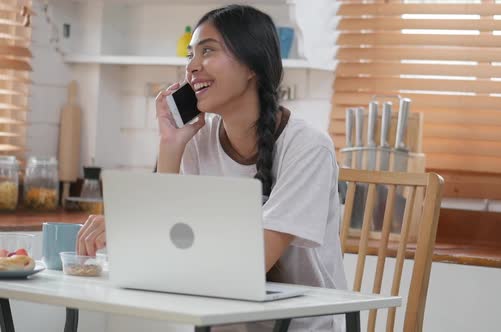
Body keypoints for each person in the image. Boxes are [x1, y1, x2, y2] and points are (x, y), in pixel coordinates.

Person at [76, 4, 347, 331]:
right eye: (191, 55)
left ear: (252, 66)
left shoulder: (307, 146)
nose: (192, 67)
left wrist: (147, 235)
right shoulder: (197, 139)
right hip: (223, 320)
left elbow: (248, 265)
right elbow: (165, 242)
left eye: (207, 51)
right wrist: (170, 145)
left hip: (303, 326)